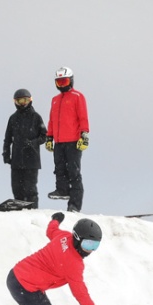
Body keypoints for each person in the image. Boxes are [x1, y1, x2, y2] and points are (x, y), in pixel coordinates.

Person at [46, 66, 89, 212]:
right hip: (59, 140)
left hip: (73, 140)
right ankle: (62, 190)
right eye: (59, 82)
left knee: (73, 171)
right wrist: (49, 136)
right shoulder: (55, 100)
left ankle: (74, 205)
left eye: (64, 82)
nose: (61, 85)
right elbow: (52, 120)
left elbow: (83, 116)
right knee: (59, 167)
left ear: (71, 81)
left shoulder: (77, 96)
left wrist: (84, 134)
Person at [2, 89, 47, 208]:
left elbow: (45, 136)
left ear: (30, 100)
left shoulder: (36, 117)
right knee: (17, 188)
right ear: (15, 102)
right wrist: (6, 154)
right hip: (16, 160)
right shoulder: (13, 118)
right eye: (19, 101)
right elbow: (7, 138)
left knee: (30, 189)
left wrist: (34, 142)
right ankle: (19, 211)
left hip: (32, 160)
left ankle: (32, 209)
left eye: (25, 100)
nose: (22, 103)